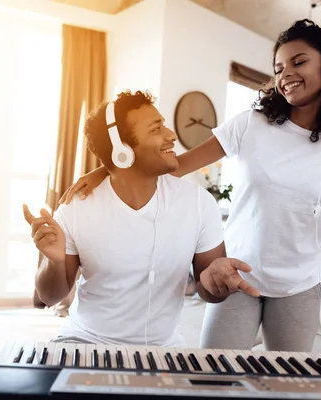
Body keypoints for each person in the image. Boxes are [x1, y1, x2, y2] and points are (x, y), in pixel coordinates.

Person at [58, 20, 321, 352]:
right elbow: (176, 166)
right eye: (279, 67)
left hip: (300, 283)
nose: (286, 73)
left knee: (287, 385)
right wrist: (108, 168)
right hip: (236, 273)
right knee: (213, 376)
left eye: (298, 62)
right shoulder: (251, 124)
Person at [22, 89, 259, 347]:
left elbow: (208, 289)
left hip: (163, 347)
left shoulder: (199, 203)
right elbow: (49, 296)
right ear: (122, 150)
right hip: (84, 340)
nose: (172, 136)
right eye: (156, 129)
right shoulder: (76, 208)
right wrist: (54, 262)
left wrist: (215, 284)